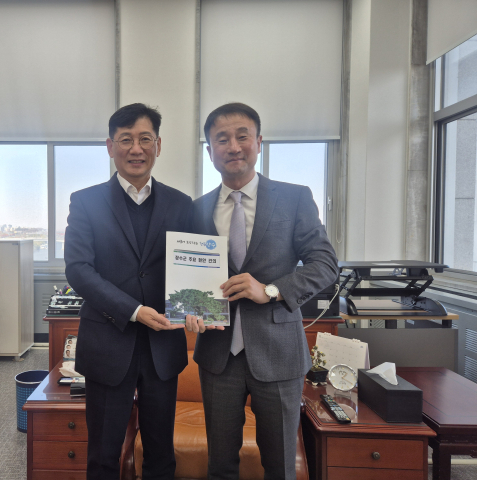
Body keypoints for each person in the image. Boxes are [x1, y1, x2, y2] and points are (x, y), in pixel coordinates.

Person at [186, 103, 338, 480]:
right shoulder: (195, 210)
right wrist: (188, 307)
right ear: (210, 151)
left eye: (242, 136)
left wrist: (270, 290)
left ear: (259, 142)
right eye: (222, 139)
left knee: (281, 465)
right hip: (218, 354)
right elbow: (188, 275)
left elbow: (325, 265)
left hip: (279, 352)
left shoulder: (294, 198)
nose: (233, 146)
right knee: (220, 466)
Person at [65, 103, 208, 480]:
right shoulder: (85, 201)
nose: (136, 148)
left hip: (163, 346)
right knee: (103, 455)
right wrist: (133, 310)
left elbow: (194, 268)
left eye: (145, 139)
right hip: (109, 341)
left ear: (158, 145)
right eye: (126, 139)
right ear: (110, 146)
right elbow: (78, 270)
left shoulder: (181, 204)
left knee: (161, 453)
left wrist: (199, 305)